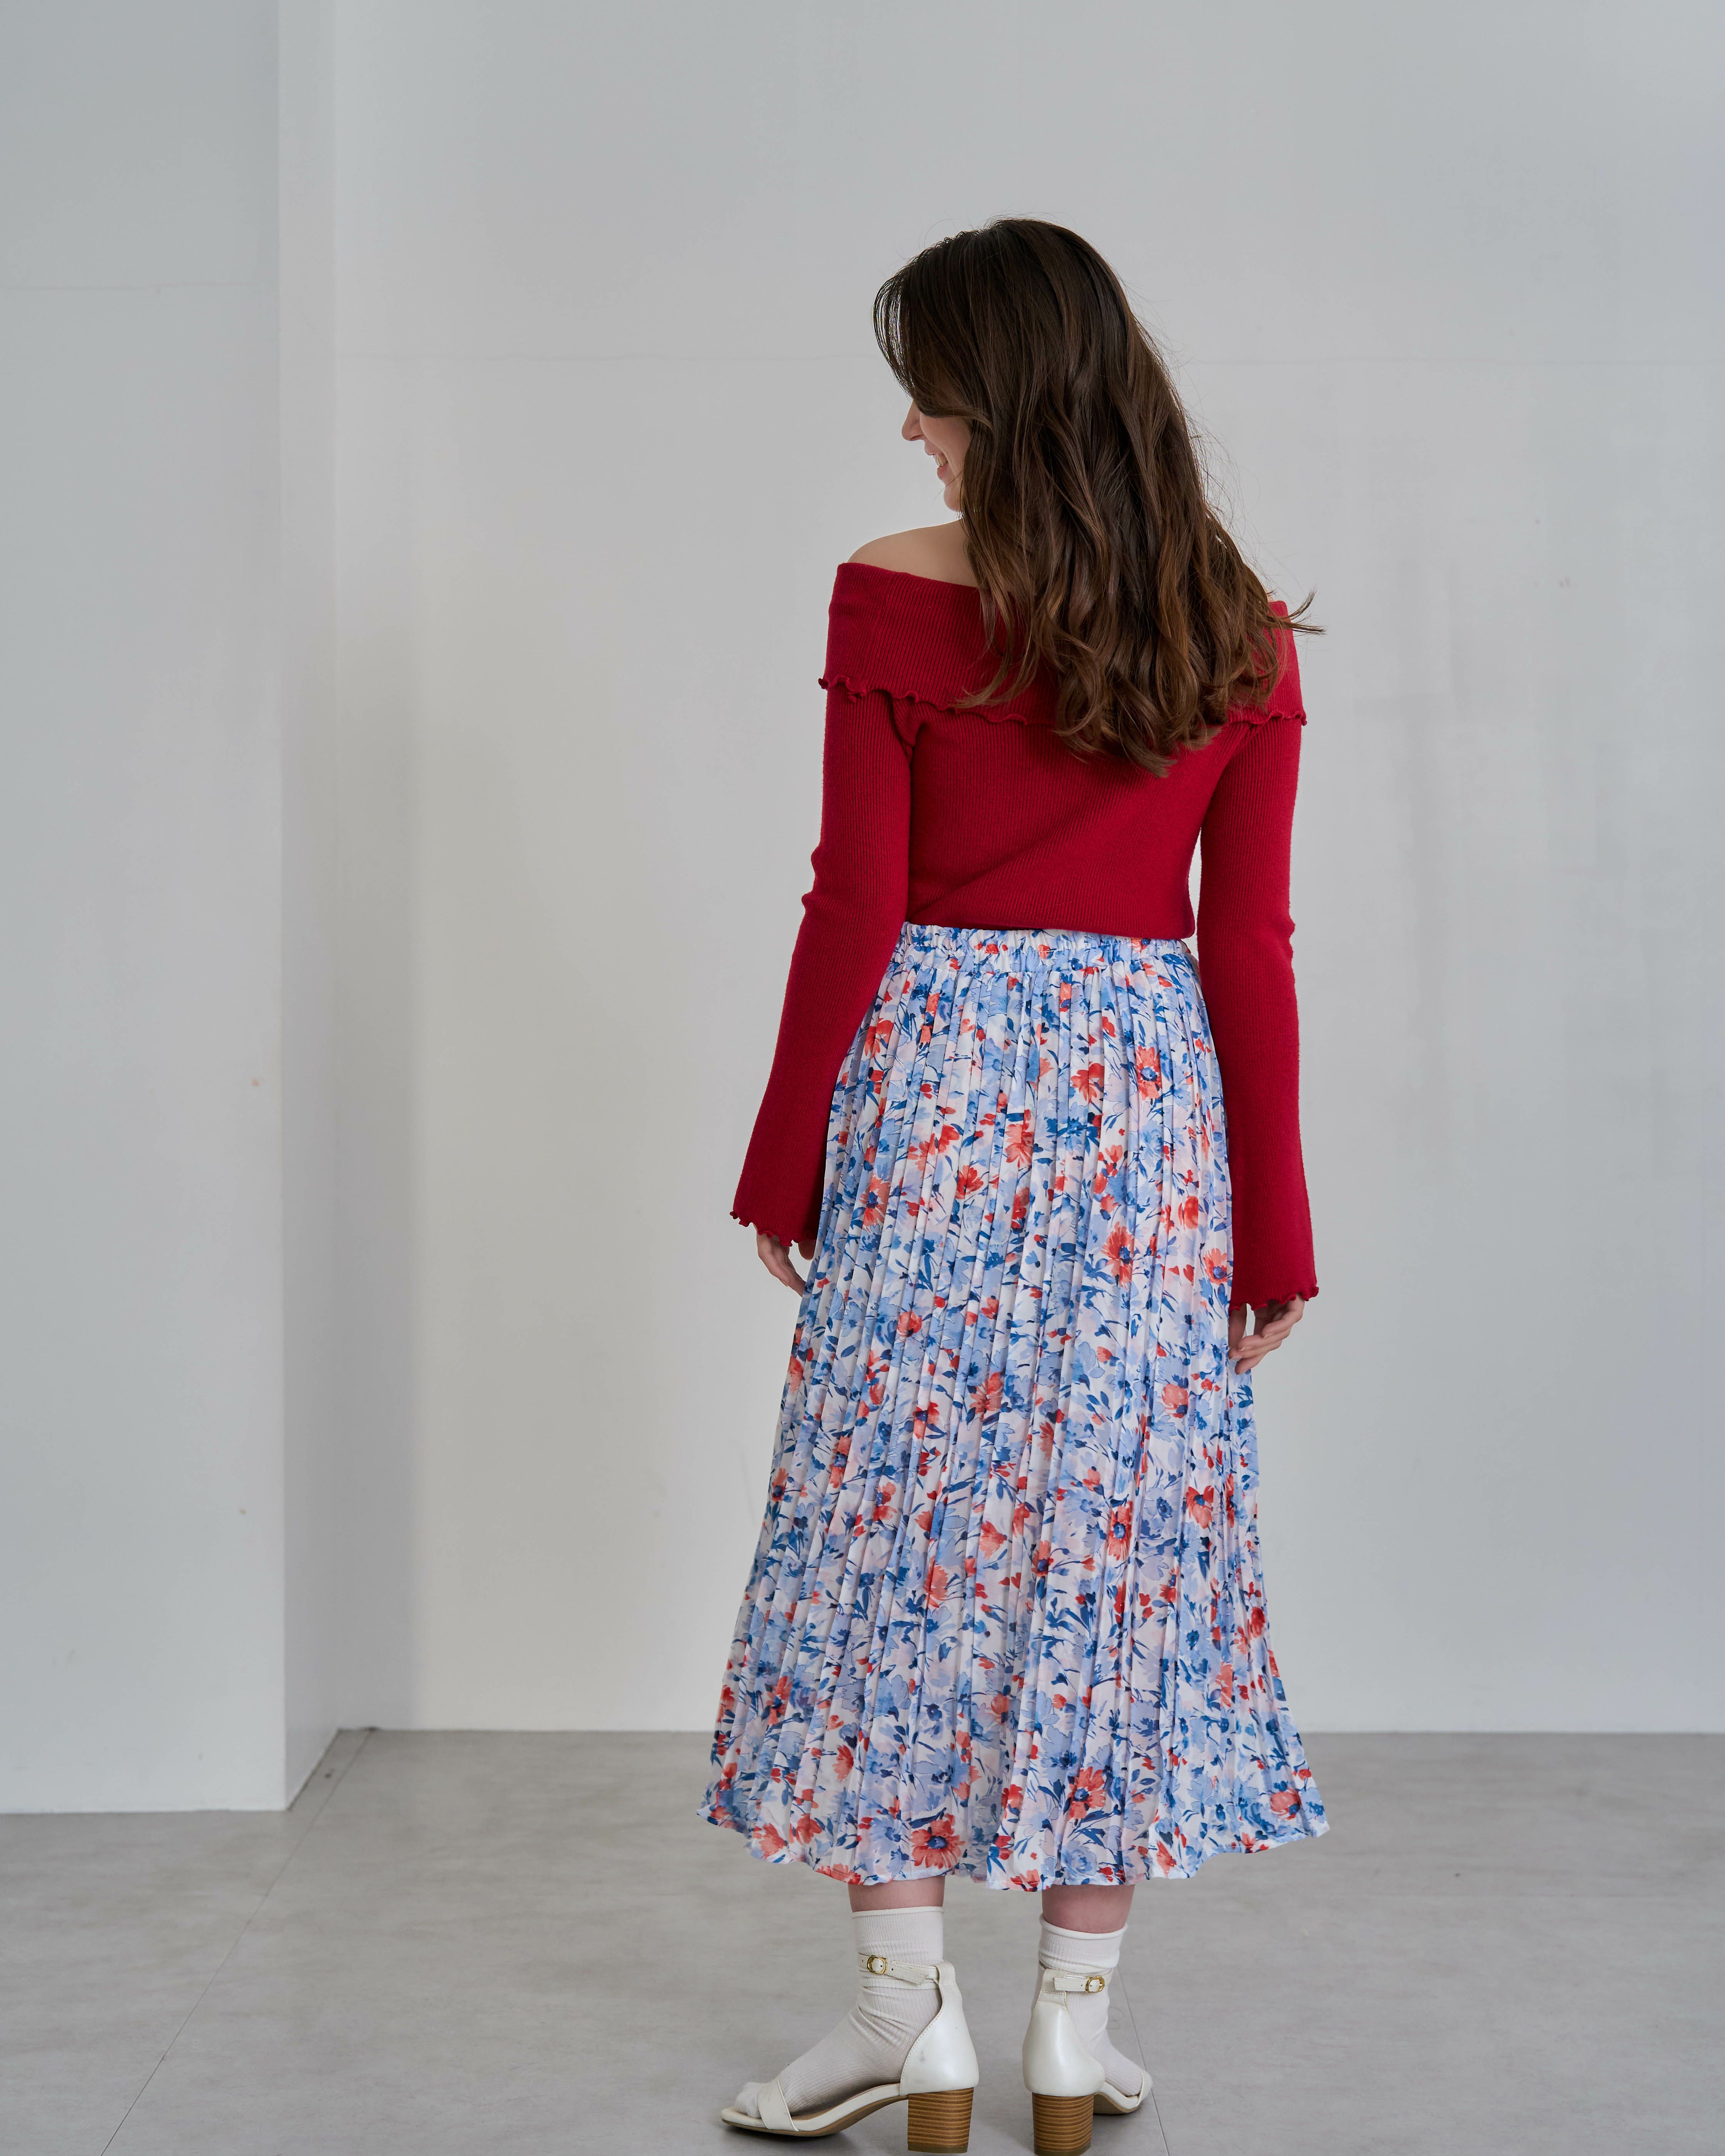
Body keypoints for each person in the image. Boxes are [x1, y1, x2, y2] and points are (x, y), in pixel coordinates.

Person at [702, 218, 1326, 2156]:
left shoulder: (893, 595)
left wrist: (785, 1154)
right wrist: (1277, 1224)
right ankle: (1071, 2031)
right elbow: (1250, 947)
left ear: (1016, 402)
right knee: (1112, 1551)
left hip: (935, 1097)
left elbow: (856, 902)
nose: (914, 431)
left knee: (888, 1536)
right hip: (1147, 1121)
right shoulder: (1231, 620)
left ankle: (912, 2020)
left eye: (937, 397)